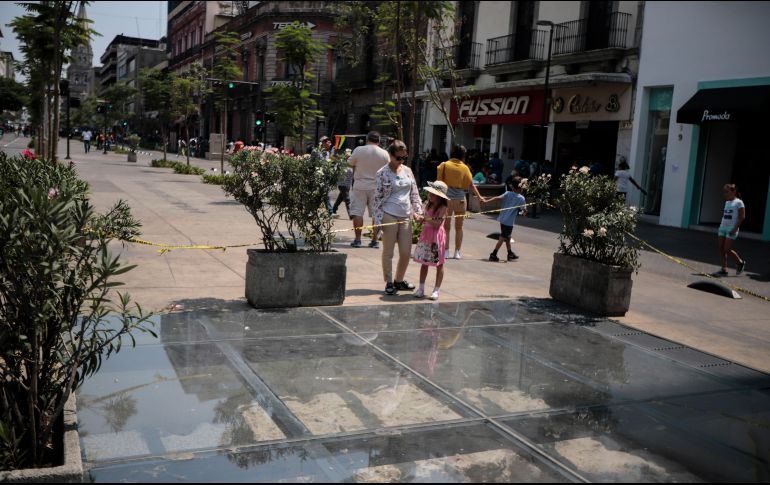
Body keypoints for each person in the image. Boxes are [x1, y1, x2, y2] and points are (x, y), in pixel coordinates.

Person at [373, 140, 424, 295]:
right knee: (388, 251)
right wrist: (377, 221)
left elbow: (414, 193)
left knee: (406, 252)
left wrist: (418, 211)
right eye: (398, 158)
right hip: (389, 214)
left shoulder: (407, 171)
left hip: (406, 214)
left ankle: (399, 280)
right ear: (390, 155)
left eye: (404, 158)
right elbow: (377, 199)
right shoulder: (382, 173)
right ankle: (389, 282)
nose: (401, 161)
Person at [437, 144, 484, 260]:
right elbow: (471, 185)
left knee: (446, 227)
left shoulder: (444, 165)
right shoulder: (465, 168)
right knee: (459, 227)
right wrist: (480, 197)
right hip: (461, 200)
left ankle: (446, 251)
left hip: (447, 199)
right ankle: (457, 252)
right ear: (463, 155)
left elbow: (438, 183)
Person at [348, 131, 390, 248]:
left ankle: (357, 240)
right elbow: (389, 169)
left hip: (360, 185)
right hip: (376, 187)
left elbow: (350, 163)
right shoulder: (384, 153)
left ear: (367, 139)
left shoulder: (359, 150)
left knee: (357, 213)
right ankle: (375, 240)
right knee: (376, 214)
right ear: (379, 141)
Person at [412, 181, 449, 300]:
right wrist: (418, 218)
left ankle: (436, 290)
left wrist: (426, 218)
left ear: (439, 196)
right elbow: (424, 219)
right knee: (424, 263)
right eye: (430, 193)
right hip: (426, 235)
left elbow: (437, 224)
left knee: (439, 264)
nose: (430, 195)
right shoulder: (428, 205)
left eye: (433, 194)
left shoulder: (443, 208)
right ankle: (421, 288)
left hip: (436, 237)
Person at [483, 176, 527, 262]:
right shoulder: (521, 199)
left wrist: (486, 201)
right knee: (503, 237)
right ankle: (493, 254)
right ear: (521, 188)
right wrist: (524, 212)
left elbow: (497, 198)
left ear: (513, 187)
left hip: (502, 219)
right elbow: (523, 211)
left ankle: (510, 253)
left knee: (507, 237)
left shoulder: (507, 193)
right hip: (509, 222)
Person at [714, 183, 746, 277]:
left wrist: (735, 228)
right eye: (724, 192)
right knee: (721, 249)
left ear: (734, 191)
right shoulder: (727, 202)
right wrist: (721, 226)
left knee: (727, 249)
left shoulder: (739, 202)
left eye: (727, 192)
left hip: (732, 229)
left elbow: (742, 217)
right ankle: (724, 269)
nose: (725, 194)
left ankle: (740, 262)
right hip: (722, 227)